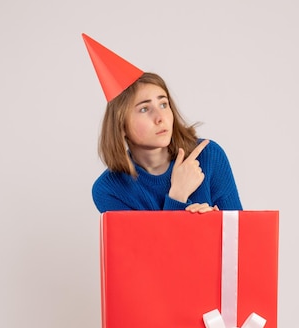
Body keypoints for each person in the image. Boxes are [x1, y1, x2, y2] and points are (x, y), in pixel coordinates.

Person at [82, 34, 242, 213]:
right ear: (121, 125)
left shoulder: (209, 157)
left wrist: (213, 226)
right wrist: (177, 196)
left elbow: (241, 238)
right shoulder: (109, 190)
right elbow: (145, 243)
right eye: (144, 109)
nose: (160, 117)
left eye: (163, 104)